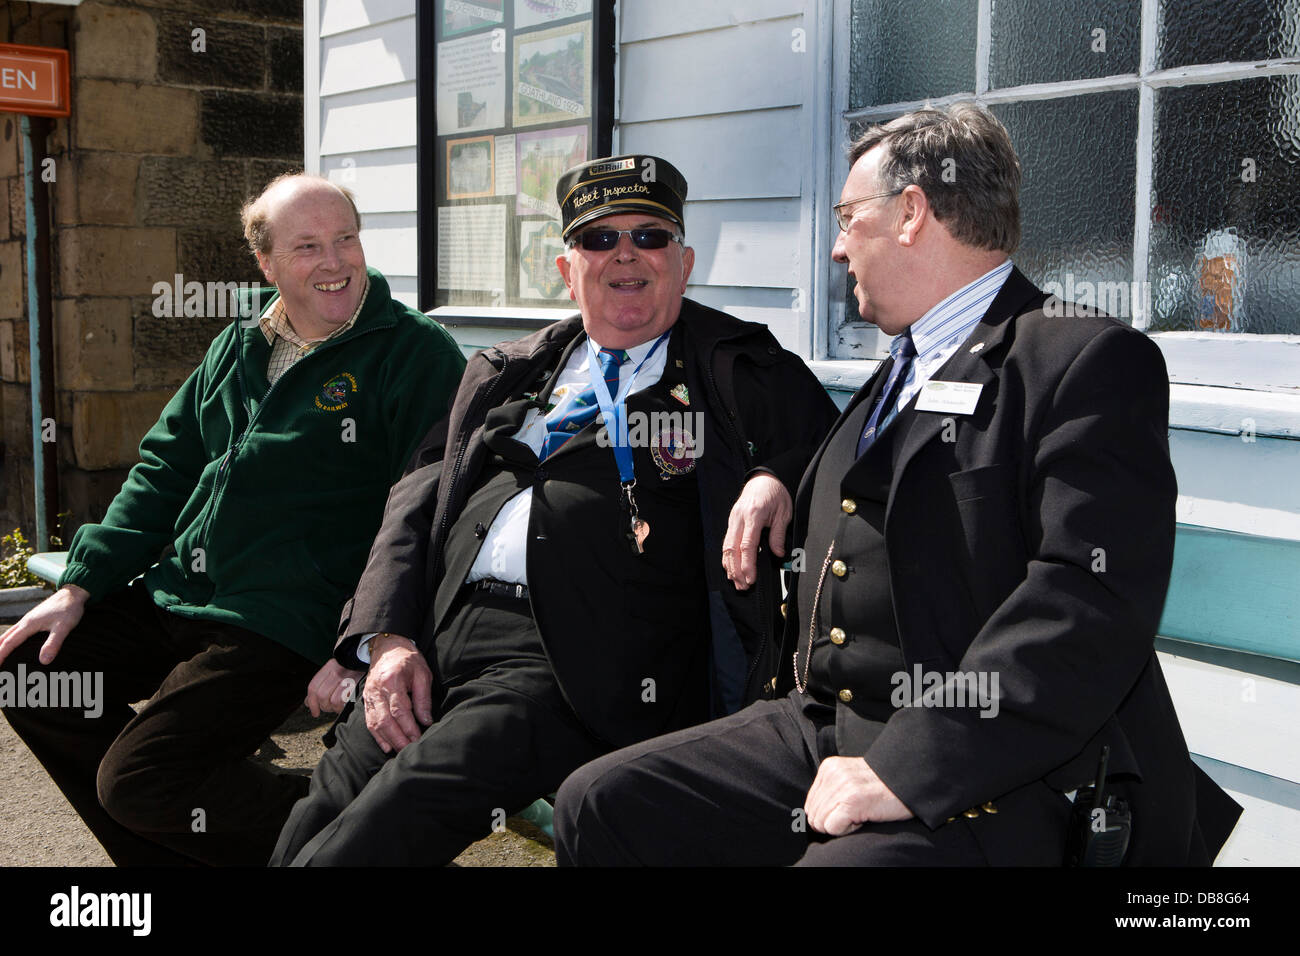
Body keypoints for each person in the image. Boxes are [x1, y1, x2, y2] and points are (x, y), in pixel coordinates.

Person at [554, 105, 1243, 866]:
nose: (838, 248)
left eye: (850, 219)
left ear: (912, 212)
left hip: (994, 764)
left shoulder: (1079, 359)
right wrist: (784, 481)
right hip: (824, 723)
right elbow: (872, 492)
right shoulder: (904, 363)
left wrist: (907, 768)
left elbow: (1087, 601)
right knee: (602, 804)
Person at [271, 154, 839, 866]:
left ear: (684, 261)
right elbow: (413, 503)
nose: (625, 254)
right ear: (568, 271)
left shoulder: (738, 367)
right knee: (316, 812)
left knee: (380, 828)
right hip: (440, 638)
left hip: (572, 663)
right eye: (599, 239)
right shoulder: (511, 369)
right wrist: (385, 637)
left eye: (649, 236)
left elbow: (835, 453)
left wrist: (774, 475)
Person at [0, 173, 466, 866]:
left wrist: (360, 642)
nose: (336, 262)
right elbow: (165, 467)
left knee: (139, 780)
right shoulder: (241, 339)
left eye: (346, 239)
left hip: (285, 620)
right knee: (27, 675)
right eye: (308, 246)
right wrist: (79, 586)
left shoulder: (415, 354)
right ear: (267, 263)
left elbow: (427, 511)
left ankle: (349, 818)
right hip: (183, 595)